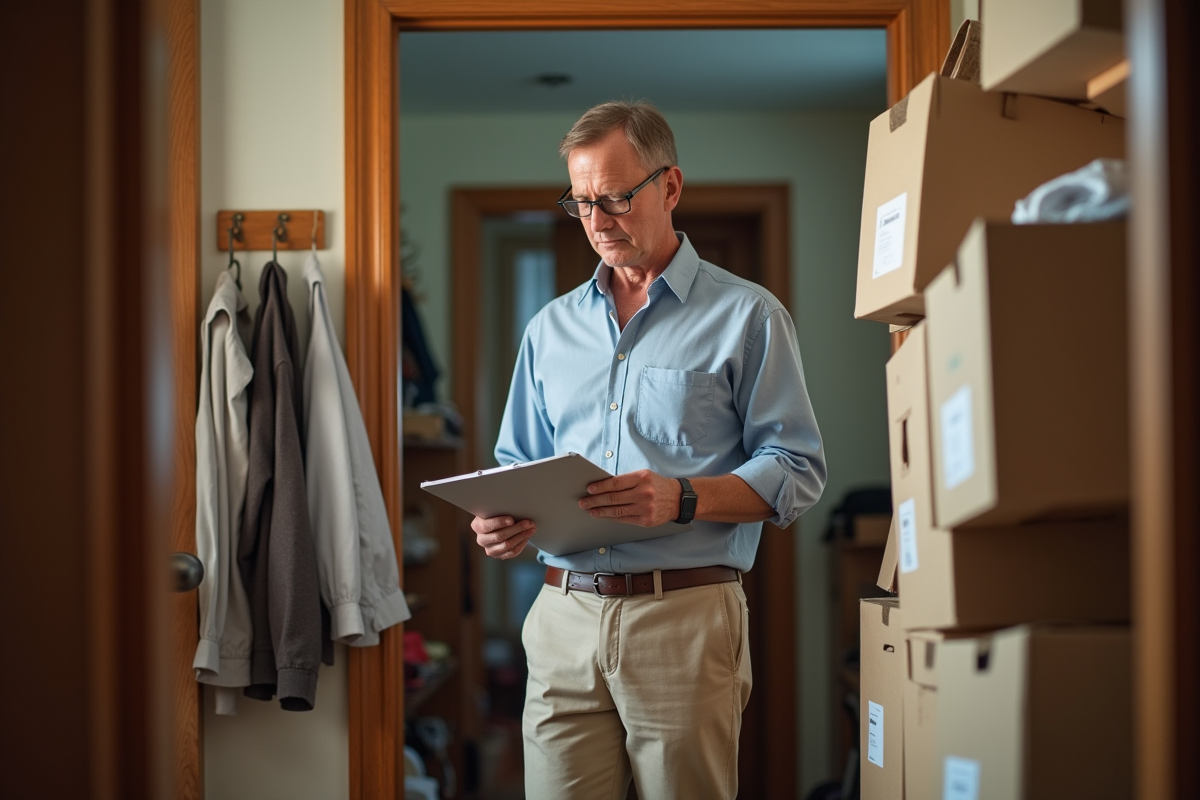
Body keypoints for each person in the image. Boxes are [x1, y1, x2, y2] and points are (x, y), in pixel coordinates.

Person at [470, 100, 826, 800]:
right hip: (561, 620)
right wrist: (500, 521)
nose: (598, 221)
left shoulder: (748, 316)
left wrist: (681, 497)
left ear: (670, 186)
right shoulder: (548, 329)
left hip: (684, 620)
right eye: (581, 203)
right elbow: (516, 464)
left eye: (615, 198)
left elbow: (797, 470)